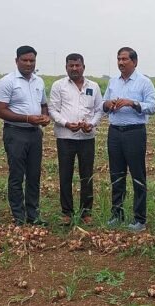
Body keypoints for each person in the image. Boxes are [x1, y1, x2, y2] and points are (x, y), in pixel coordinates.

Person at [103, 47, 155, 232]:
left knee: (137, 175)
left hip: (134, 133)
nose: (121, 62)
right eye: (119, 59)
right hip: (115, 132)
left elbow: (152, 107)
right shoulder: (112, 82)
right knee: (116, 175)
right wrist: (108, 104)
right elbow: (104, 104)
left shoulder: (144, 83)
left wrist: (132, 103)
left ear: (134, 62)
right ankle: (116, 214)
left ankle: (140, 218)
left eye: (125, 59)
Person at [0, 46, 50, 226]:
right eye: (24, 60)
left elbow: (43, 105)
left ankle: (33, 215)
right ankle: (19, 216)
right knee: (17, 175)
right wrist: (27, 118)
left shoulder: (38, 81)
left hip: (35, 133)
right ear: (16, 60)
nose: (28, 64)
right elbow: (0, 110)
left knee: (34, 175)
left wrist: (44, 116)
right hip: (15, 132)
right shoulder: (7, 82)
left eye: (32, 61)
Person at [48, 53, 103, 226]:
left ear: (83, 67)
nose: (74, 68)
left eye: (77, 65)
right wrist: (66, 123)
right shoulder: (59, 86)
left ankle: (86, 212)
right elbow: (53, 110)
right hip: (65, 137)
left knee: (86, 175)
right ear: (66, 67)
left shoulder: (93, 86)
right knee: (65, 174)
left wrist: (91, 124)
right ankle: (67, 213)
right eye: (71, 65)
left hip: (87, 137)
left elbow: (99, 110)